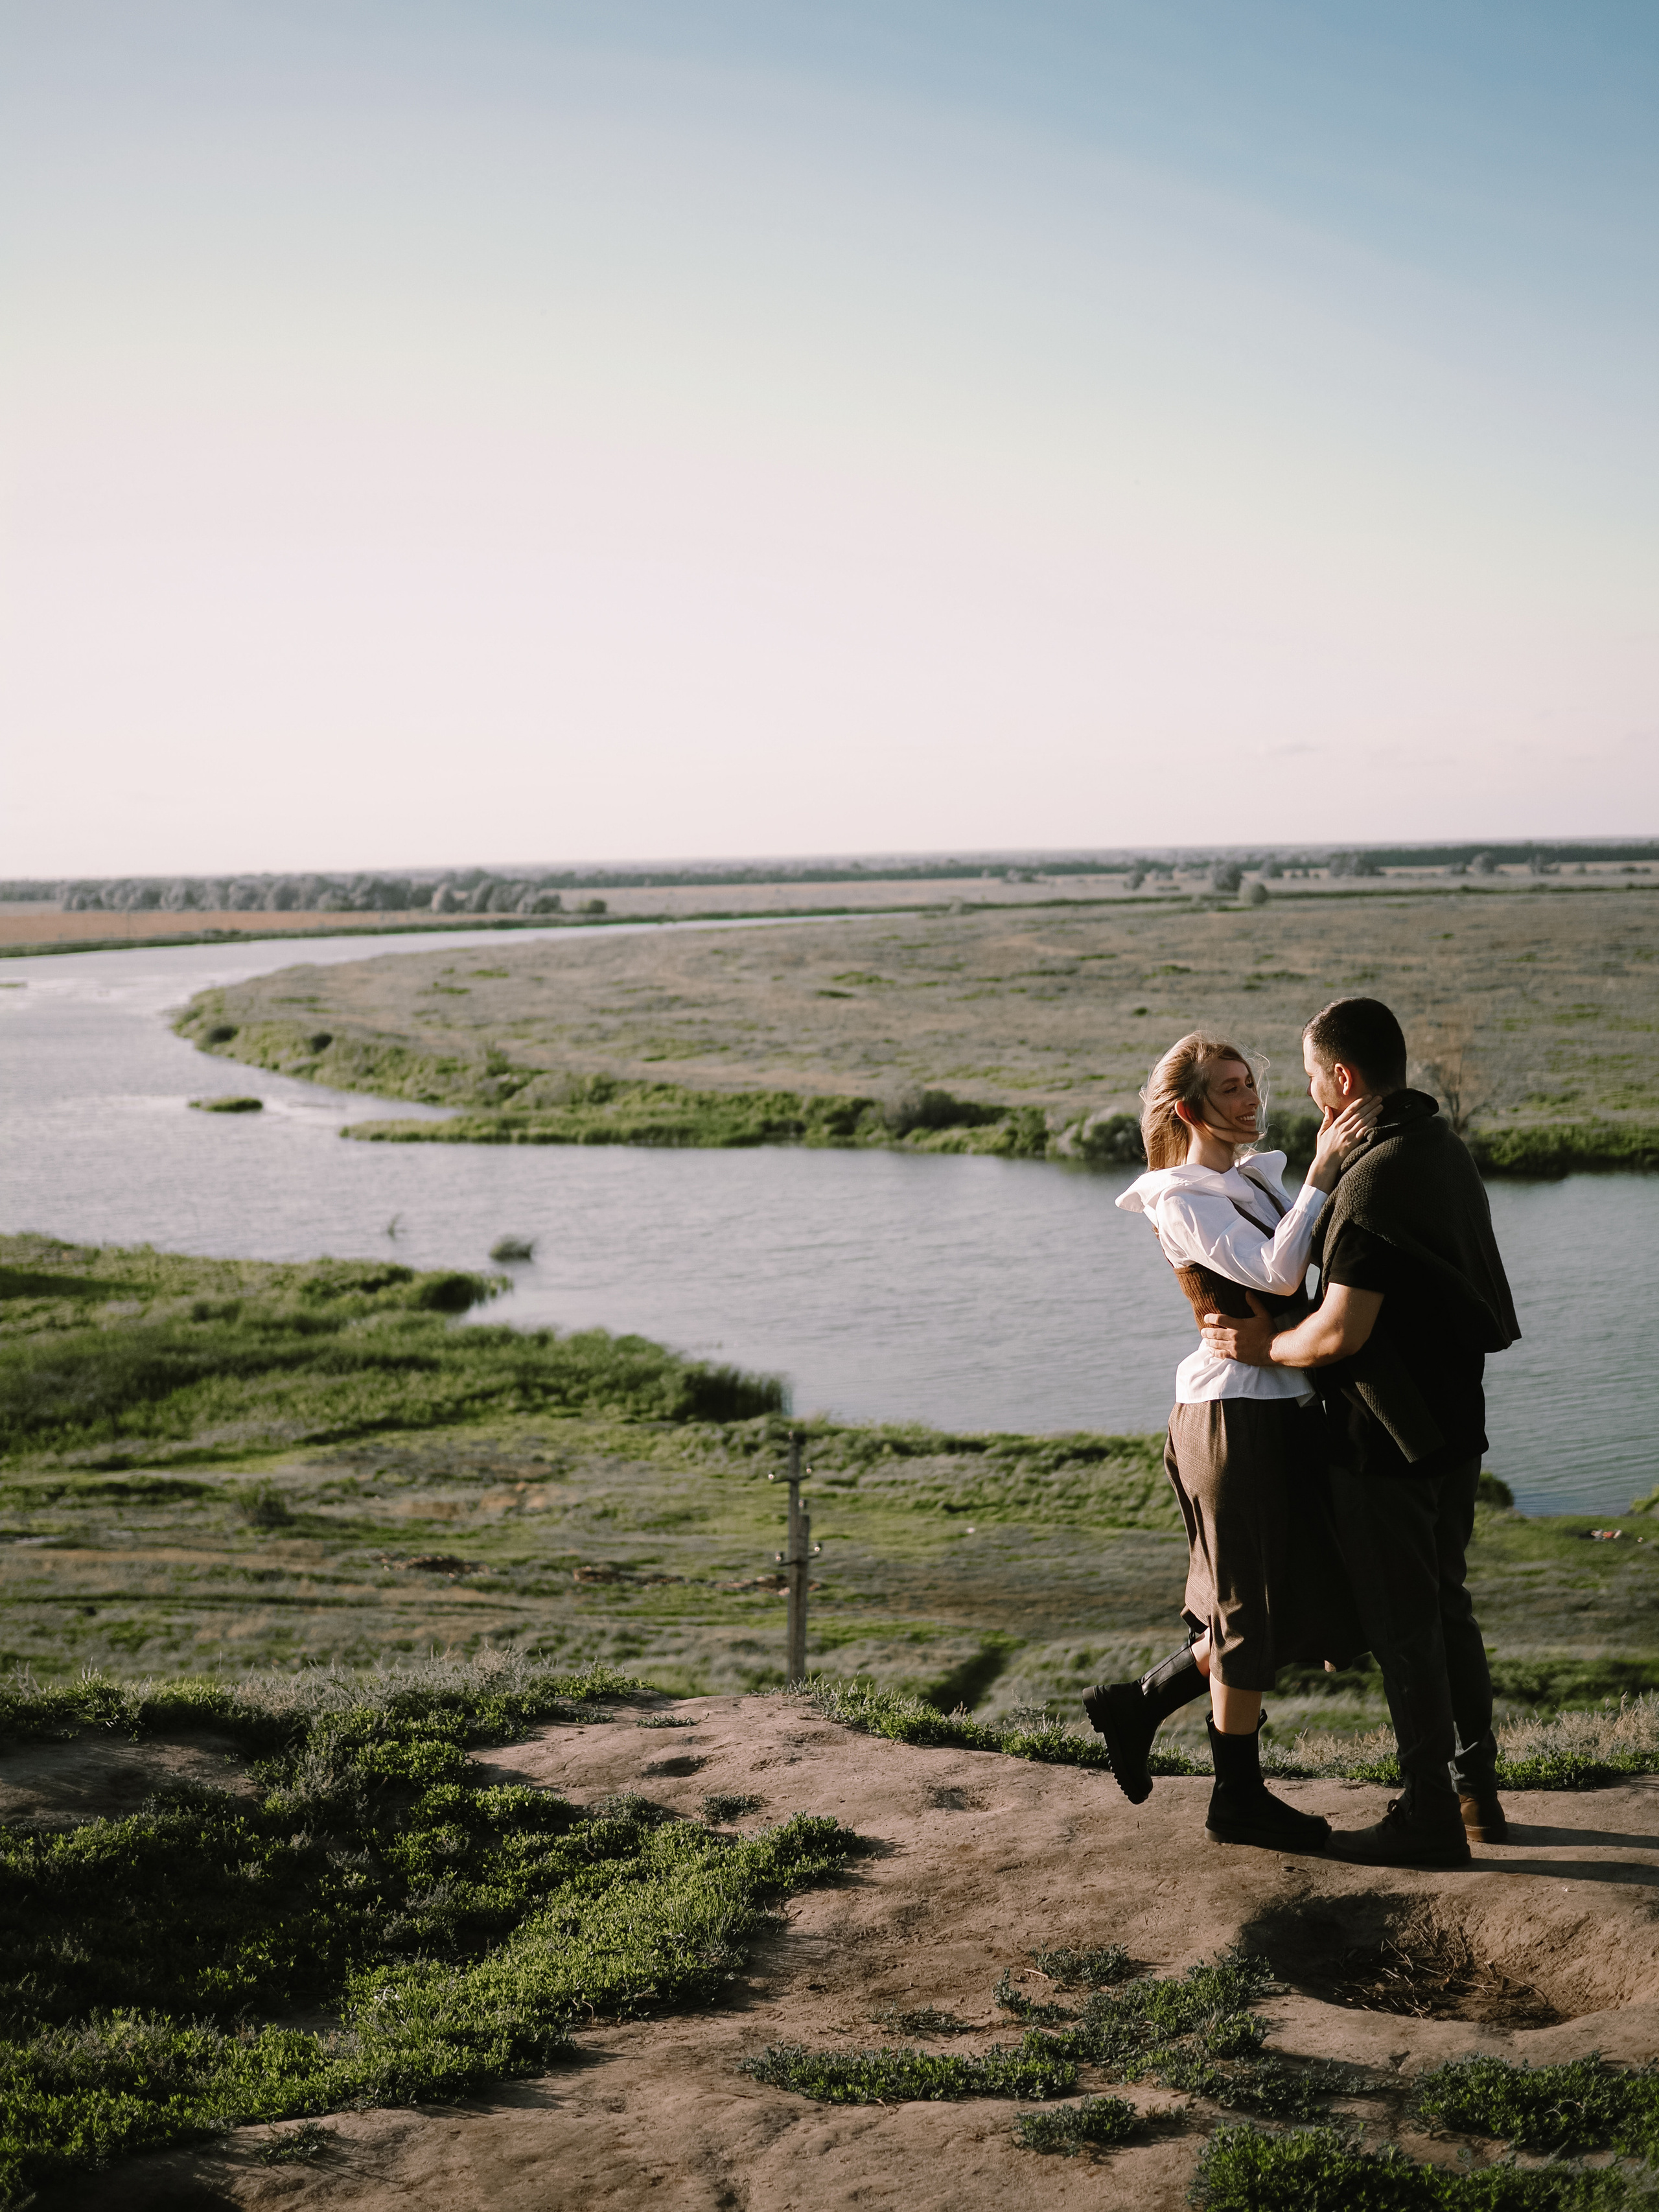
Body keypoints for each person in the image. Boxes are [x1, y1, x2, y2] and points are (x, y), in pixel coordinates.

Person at [1201, 997, 1520, 1869]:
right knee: (1448, 1608)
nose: (1305, 1093)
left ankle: (1428, 1818)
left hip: (1387, 1441)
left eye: (1310, 1077)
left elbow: (1340, 1332)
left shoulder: (1375, 1178)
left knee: (1404, 1629)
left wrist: (1262, 1342)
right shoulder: (1439, 1148)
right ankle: (1474, 1792)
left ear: (1343, 1079)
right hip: (1455, 1430)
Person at [1084, 1032, 1375, 1852]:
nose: (1250, 1100)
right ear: (1188, 1109)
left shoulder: (1240, 1179)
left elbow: (1303, 1270)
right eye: (1229, 1089)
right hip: (1231, 1413)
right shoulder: (1179, 1194)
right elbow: (1279, 1275)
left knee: (1271, 1605)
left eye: (1251, 1083)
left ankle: (1136, 1703)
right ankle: (1237, 1798)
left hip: (1275, 1404)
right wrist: (1320, 1171)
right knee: (1245, 1612)